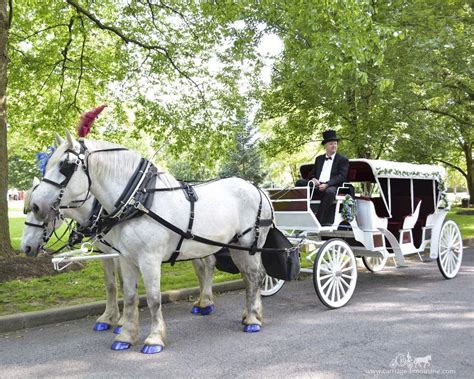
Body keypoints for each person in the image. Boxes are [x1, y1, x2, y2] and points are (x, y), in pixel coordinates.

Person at [295, 130, 349, 225]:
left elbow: (342, 176)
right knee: (299, 183)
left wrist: (327, 184)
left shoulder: (342, 159)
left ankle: (318, 221)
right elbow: (312, 173)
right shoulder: (319, 159)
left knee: (329, 192)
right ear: (325, 146)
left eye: (335, 144)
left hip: (332, 186)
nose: (334, 146)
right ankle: (301, 214)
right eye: (331, 144)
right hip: (317, 186)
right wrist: (313, 179)